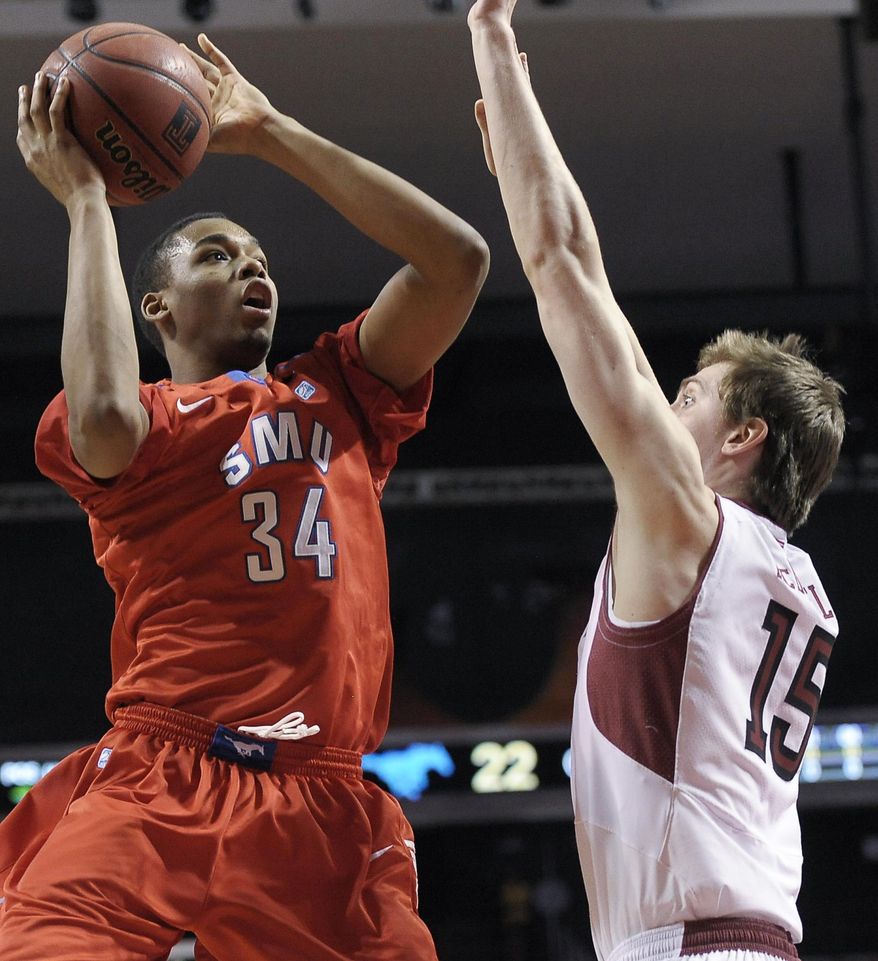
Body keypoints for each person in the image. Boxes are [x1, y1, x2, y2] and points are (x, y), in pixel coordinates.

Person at [2, 32, 488, 961]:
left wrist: (272, 133)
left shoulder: (343, 392)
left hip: (324, 793)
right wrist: (89, 202)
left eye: (260, 257)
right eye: (218, 257)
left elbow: (456, 262)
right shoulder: (145, 425)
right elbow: (99, 408)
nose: (253, 268)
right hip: (165, 770)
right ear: (159, 310)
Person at [467, 3, 845, 961]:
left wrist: (492, 39)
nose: (664, 409)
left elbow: (564, 264)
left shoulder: (693, 523)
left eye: (690, 395)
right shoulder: (794, 580)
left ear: (744, 436)